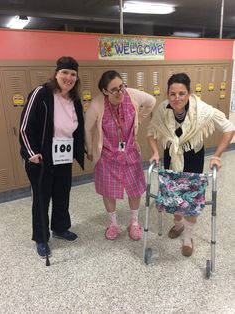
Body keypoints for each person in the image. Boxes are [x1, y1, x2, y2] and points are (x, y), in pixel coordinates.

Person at [147, 72, 235, 257]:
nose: (177, 98)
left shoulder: (202, 110)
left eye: (181, 93)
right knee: (172, 195)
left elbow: (229, 128)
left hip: (193, 157)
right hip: (171, 155)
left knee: (190, 200)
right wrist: (155, 152)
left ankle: (188, 237)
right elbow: (150, 132)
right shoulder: (163, 109)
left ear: (189, 93)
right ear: (167, 94)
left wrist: (217, 155)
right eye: (173, 93)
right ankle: (178, 224)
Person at [19, 56, 85, 258]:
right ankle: (41, 237)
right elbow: (24, 127)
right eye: (65, 72)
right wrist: (31, 153)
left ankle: (60, 227)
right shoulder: (42, 93)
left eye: (73, 74)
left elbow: (78, 129)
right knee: (41, 199)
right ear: (56, 74)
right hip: (42, 158)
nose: (69, 77)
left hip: (63, 156)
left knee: (62, 194)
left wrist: (83, 150)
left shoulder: (74, 100)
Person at [85, 70, 156, 241]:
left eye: (121, 87)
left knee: (135, 189)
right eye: (114, 90)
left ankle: (134, 223)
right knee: (108, 192)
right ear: (104, 91)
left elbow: (151, 101)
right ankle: (113, 224)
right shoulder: (96, 104)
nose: (120, 92)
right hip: (107, 155)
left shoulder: (131, 95)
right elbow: (87, 128)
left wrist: (139, 120)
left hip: (130, 150)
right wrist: (89, 149)